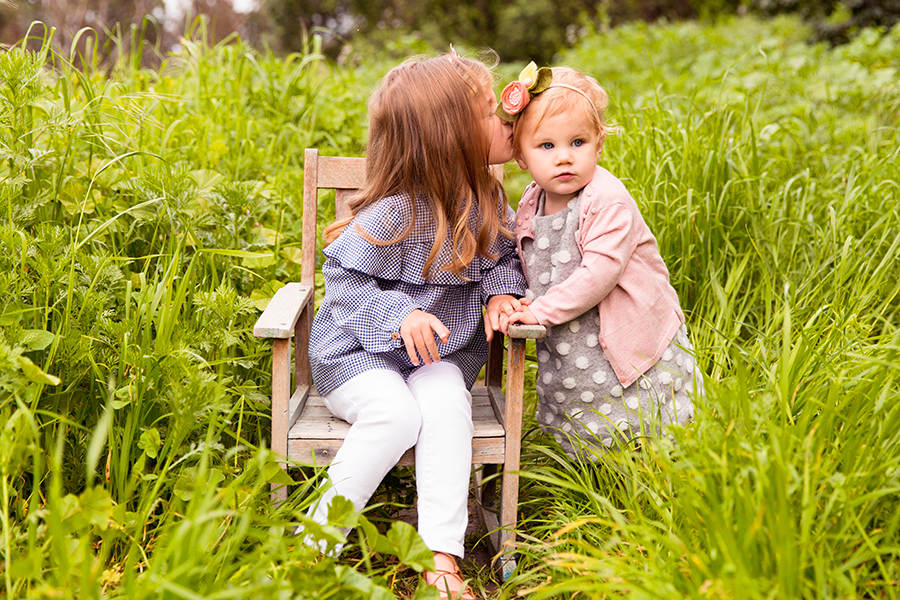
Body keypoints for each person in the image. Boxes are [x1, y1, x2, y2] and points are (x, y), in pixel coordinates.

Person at [305, 52, 527, 600]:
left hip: (435, 359)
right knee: (395, 414)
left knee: (448, 400)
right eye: (486, 110)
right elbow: (344, 280)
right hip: (358, 357)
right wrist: (400, 314)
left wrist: (501, 291)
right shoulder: (398, 211)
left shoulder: (489, 199)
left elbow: (503, 260)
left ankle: (441, 556)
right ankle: (311, 546)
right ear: (448, 136)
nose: (504, 116)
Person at [500, 65, 702, 458]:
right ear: (521, 156)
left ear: (599, 144)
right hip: (572, 335)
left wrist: (540, 309)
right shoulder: (531, 200)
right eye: (546, 146)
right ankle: (593, 471)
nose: (564, 158)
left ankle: (656, 473)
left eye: (577, 142)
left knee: (642, 408)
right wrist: (518, 299)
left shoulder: (606, 199)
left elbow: (600, 272)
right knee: (582, 404)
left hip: (626, 331)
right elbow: (525, 256)